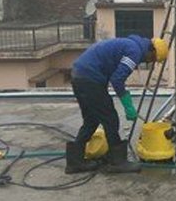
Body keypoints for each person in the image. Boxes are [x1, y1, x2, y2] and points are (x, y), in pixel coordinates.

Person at [65, 35, 169, 174]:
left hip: (79, 75)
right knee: (110, 119)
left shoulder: (130, 44)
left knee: (91, 120)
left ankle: (75, 162)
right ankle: (117, 162)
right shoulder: (135, 52)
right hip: (90, 79)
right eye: (153, 59)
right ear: (152, 51)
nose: (150, 62)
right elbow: (117, 79)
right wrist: (127, 104)